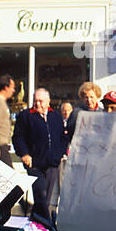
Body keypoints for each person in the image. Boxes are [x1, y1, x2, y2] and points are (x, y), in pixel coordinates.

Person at [12, 87, 66, 222]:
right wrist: (24, 154)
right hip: (34, 163)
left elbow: (62, 137)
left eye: (41, 101)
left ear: (48, 102)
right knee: (40, 194)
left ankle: (36, 222)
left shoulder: (55, 116)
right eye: (35, 101)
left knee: (46, 198)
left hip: (52, 163)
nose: (38, 104)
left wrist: (60, 153)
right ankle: (46, 224)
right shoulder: (25, 116)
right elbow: (18, 137)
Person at [0, 75, 16, 159]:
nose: (13, 90)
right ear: (6, 88)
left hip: (3, 145)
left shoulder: (2, 102)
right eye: (12, 87)